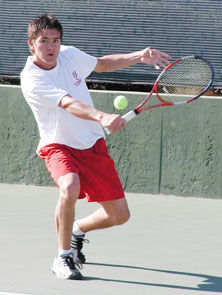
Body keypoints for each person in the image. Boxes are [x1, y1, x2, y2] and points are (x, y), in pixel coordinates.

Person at [20, 13, 171, 280]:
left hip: (92, 144)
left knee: (119, 215)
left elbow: (100, 65)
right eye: (44, 41)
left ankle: (76, 230)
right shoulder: (32, 78)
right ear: (31, 44)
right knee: (69, 186)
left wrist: (139, 56)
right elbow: (67, 103)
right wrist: (102, 117)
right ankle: (63, 256)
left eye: (55, 40)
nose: (51, 47)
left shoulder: (68, 54)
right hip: (59, 145)